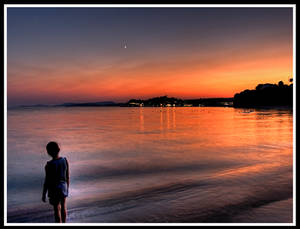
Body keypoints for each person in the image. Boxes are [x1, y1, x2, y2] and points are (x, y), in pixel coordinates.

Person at [42, 141, 69, 223]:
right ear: (59, 149)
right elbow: (67, 176)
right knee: (63, 206)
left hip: (54, 189)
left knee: (56, 209)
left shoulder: (49, 165)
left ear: (48, 152)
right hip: (63, 186)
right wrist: (67, 187)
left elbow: (47, 181)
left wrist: (44, 194)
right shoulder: (64, 160)